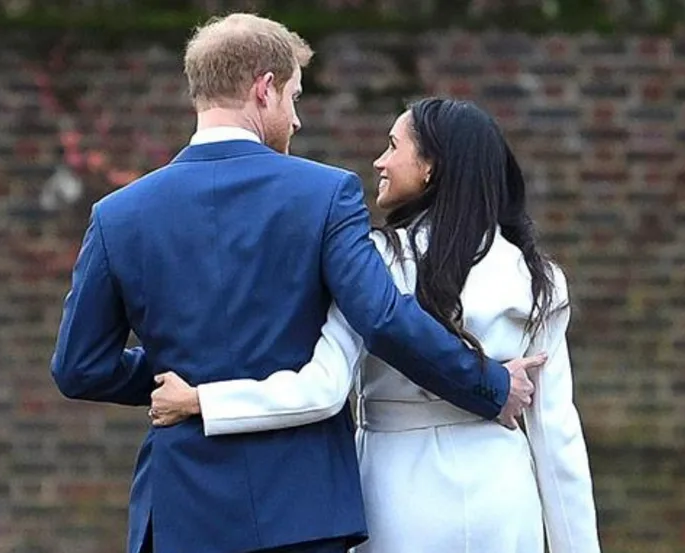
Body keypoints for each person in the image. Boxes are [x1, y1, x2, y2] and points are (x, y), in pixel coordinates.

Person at [49, 13, 545, 553]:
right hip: (304, 512)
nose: (297, 119)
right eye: (294, 97)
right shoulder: (324, 194)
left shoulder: (118, 215)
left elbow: (79, 368)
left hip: (181, 512)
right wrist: (490, 386)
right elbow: (380, 318)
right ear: (264, 89)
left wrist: (186, 372)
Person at [151, 98, 602, 553]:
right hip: (504, 498)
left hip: (399, 494)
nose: (379, 161)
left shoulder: (377, 263)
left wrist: (203, 400)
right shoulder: (537, 277)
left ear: (432, 166)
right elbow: (557, 437)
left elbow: (322, 389)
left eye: (392, 146)